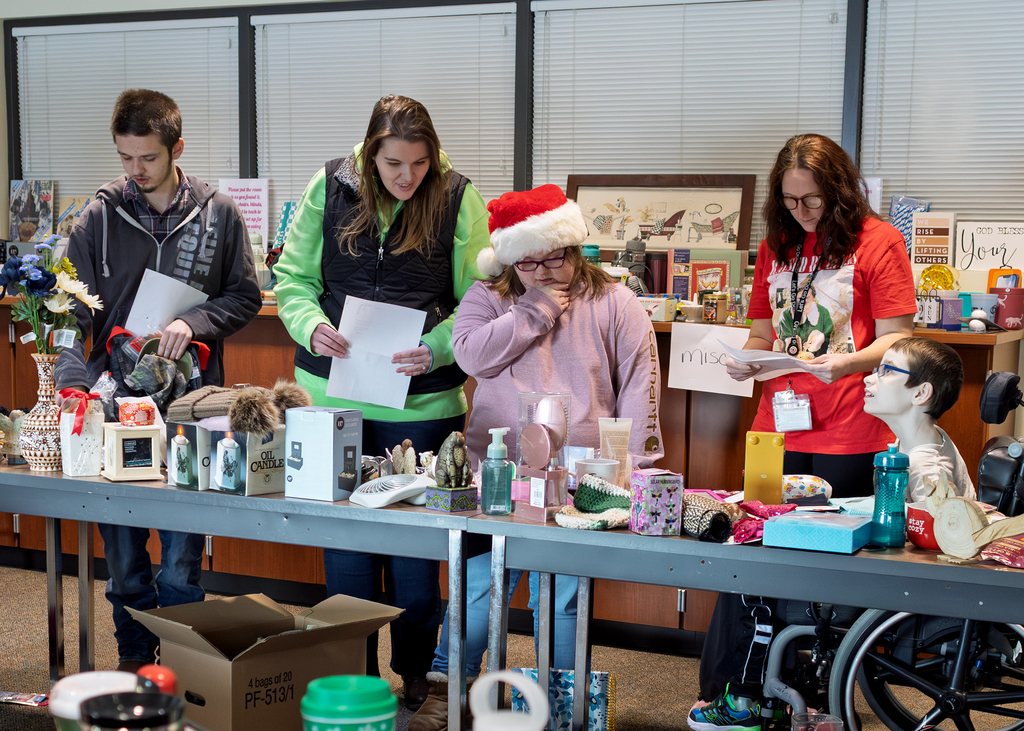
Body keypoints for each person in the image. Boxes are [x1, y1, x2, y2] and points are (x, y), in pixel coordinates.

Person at [408, 183, 664, 731]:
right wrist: (536, 308)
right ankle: (446, 686)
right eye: (530, 264)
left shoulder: (615, 302)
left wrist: (636, 472)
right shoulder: (488, 296)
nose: (546, 272)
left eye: (557, 259)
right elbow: (472, 354)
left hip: (584, 479)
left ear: (575, 248)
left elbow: (640, 388)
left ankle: (562, 700)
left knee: (567, 597)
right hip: (496, 474)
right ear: (508, 261)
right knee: (479, 587)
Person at [689, 133, 917, 731]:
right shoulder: (777, 244)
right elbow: (764, 333)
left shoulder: (879, 242)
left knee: (824, 572)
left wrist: (844, 362)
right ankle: (736, 691)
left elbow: (899, 336)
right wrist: (747, 358)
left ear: (839, 192)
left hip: (851, 429)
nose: (802, 212)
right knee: (752, 555)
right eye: (790, 201)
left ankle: (814, 699)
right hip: (778, 428)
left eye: (812, 200)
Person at [272, 94, 490, 710]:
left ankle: (416, 668)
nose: (406, 176)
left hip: (420, 408)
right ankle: (354, 673)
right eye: (394, 162)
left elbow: (479, 299)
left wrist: (439, 346)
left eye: (419, 164)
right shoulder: (329, 185)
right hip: (330, 401)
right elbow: (293, 279)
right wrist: (309, 323)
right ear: (371, 155)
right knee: (346, 556)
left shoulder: (455, 196)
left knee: (418, 560)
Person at [53, 89, 262, 671]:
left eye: (147, 157)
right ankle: (135, 663)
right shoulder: (98, 216)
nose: (135, 171)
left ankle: (185, 668)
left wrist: (190, 321)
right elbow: (71, 311)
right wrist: (72, 384)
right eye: (125, 157)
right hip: (114, 405)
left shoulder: (218, 213)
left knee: (180, 560)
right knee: (123, 557)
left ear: (177, 148)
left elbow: (243, 296)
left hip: (190, 410)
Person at [863, 337, 976, 502]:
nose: (869, 378)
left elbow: (937, 526)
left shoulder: (927, 467)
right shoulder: (919, 437)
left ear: (920, 393)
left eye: (887, 370)